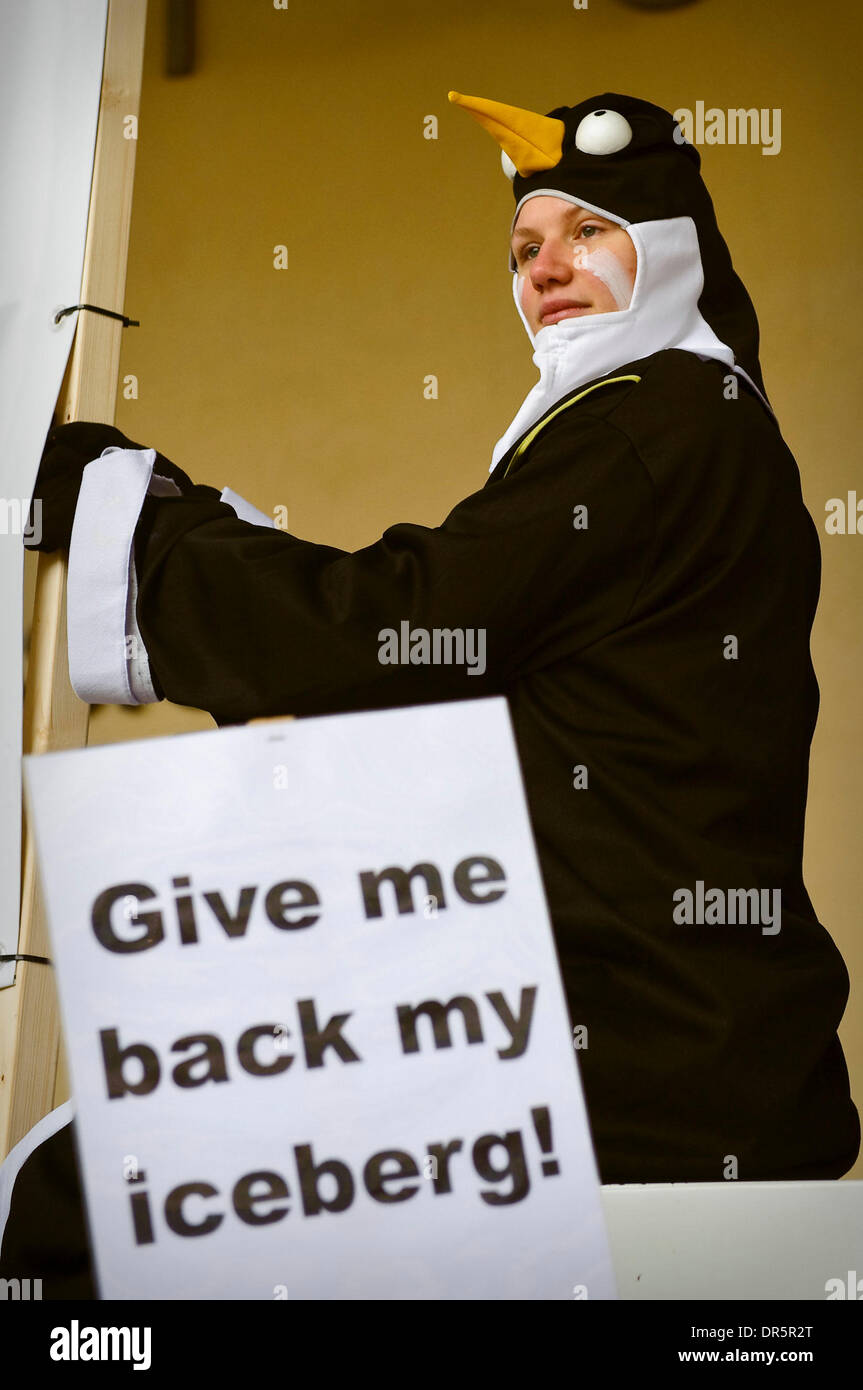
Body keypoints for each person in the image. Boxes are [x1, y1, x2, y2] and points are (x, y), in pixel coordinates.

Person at [4, 90, 858, 1297]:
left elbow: (397, 628)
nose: (544, 267)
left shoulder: (647, 425)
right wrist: (232, 546)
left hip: (625, 1061)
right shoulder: (703, 428)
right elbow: (454, 657)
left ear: (666, 249)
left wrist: (143, 529)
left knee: (98, 1198)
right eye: (522, 250)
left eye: (588, 233)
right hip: (690, 1052)